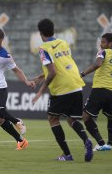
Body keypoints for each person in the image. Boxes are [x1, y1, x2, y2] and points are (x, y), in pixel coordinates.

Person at [32, 19, 93, 162]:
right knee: (72, 119)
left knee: (53, 119)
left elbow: (53, 72)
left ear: (40, 33)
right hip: (76, 84)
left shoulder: (44, 48)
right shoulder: (64, 43)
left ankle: (67, 155)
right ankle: (86, 140)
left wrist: (41, 91)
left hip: (62, 88)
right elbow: (62, 64)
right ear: (53, 30)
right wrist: (42, 75)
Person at [80, 33, 112, 151]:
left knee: (85, 116)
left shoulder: (103, 52)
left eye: (103, 42)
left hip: (100, 89)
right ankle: (110, 144)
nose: (101, 44)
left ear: (110, 44)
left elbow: (98, 64)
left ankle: (101, 143)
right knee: (111, 117)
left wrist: (82, 74)